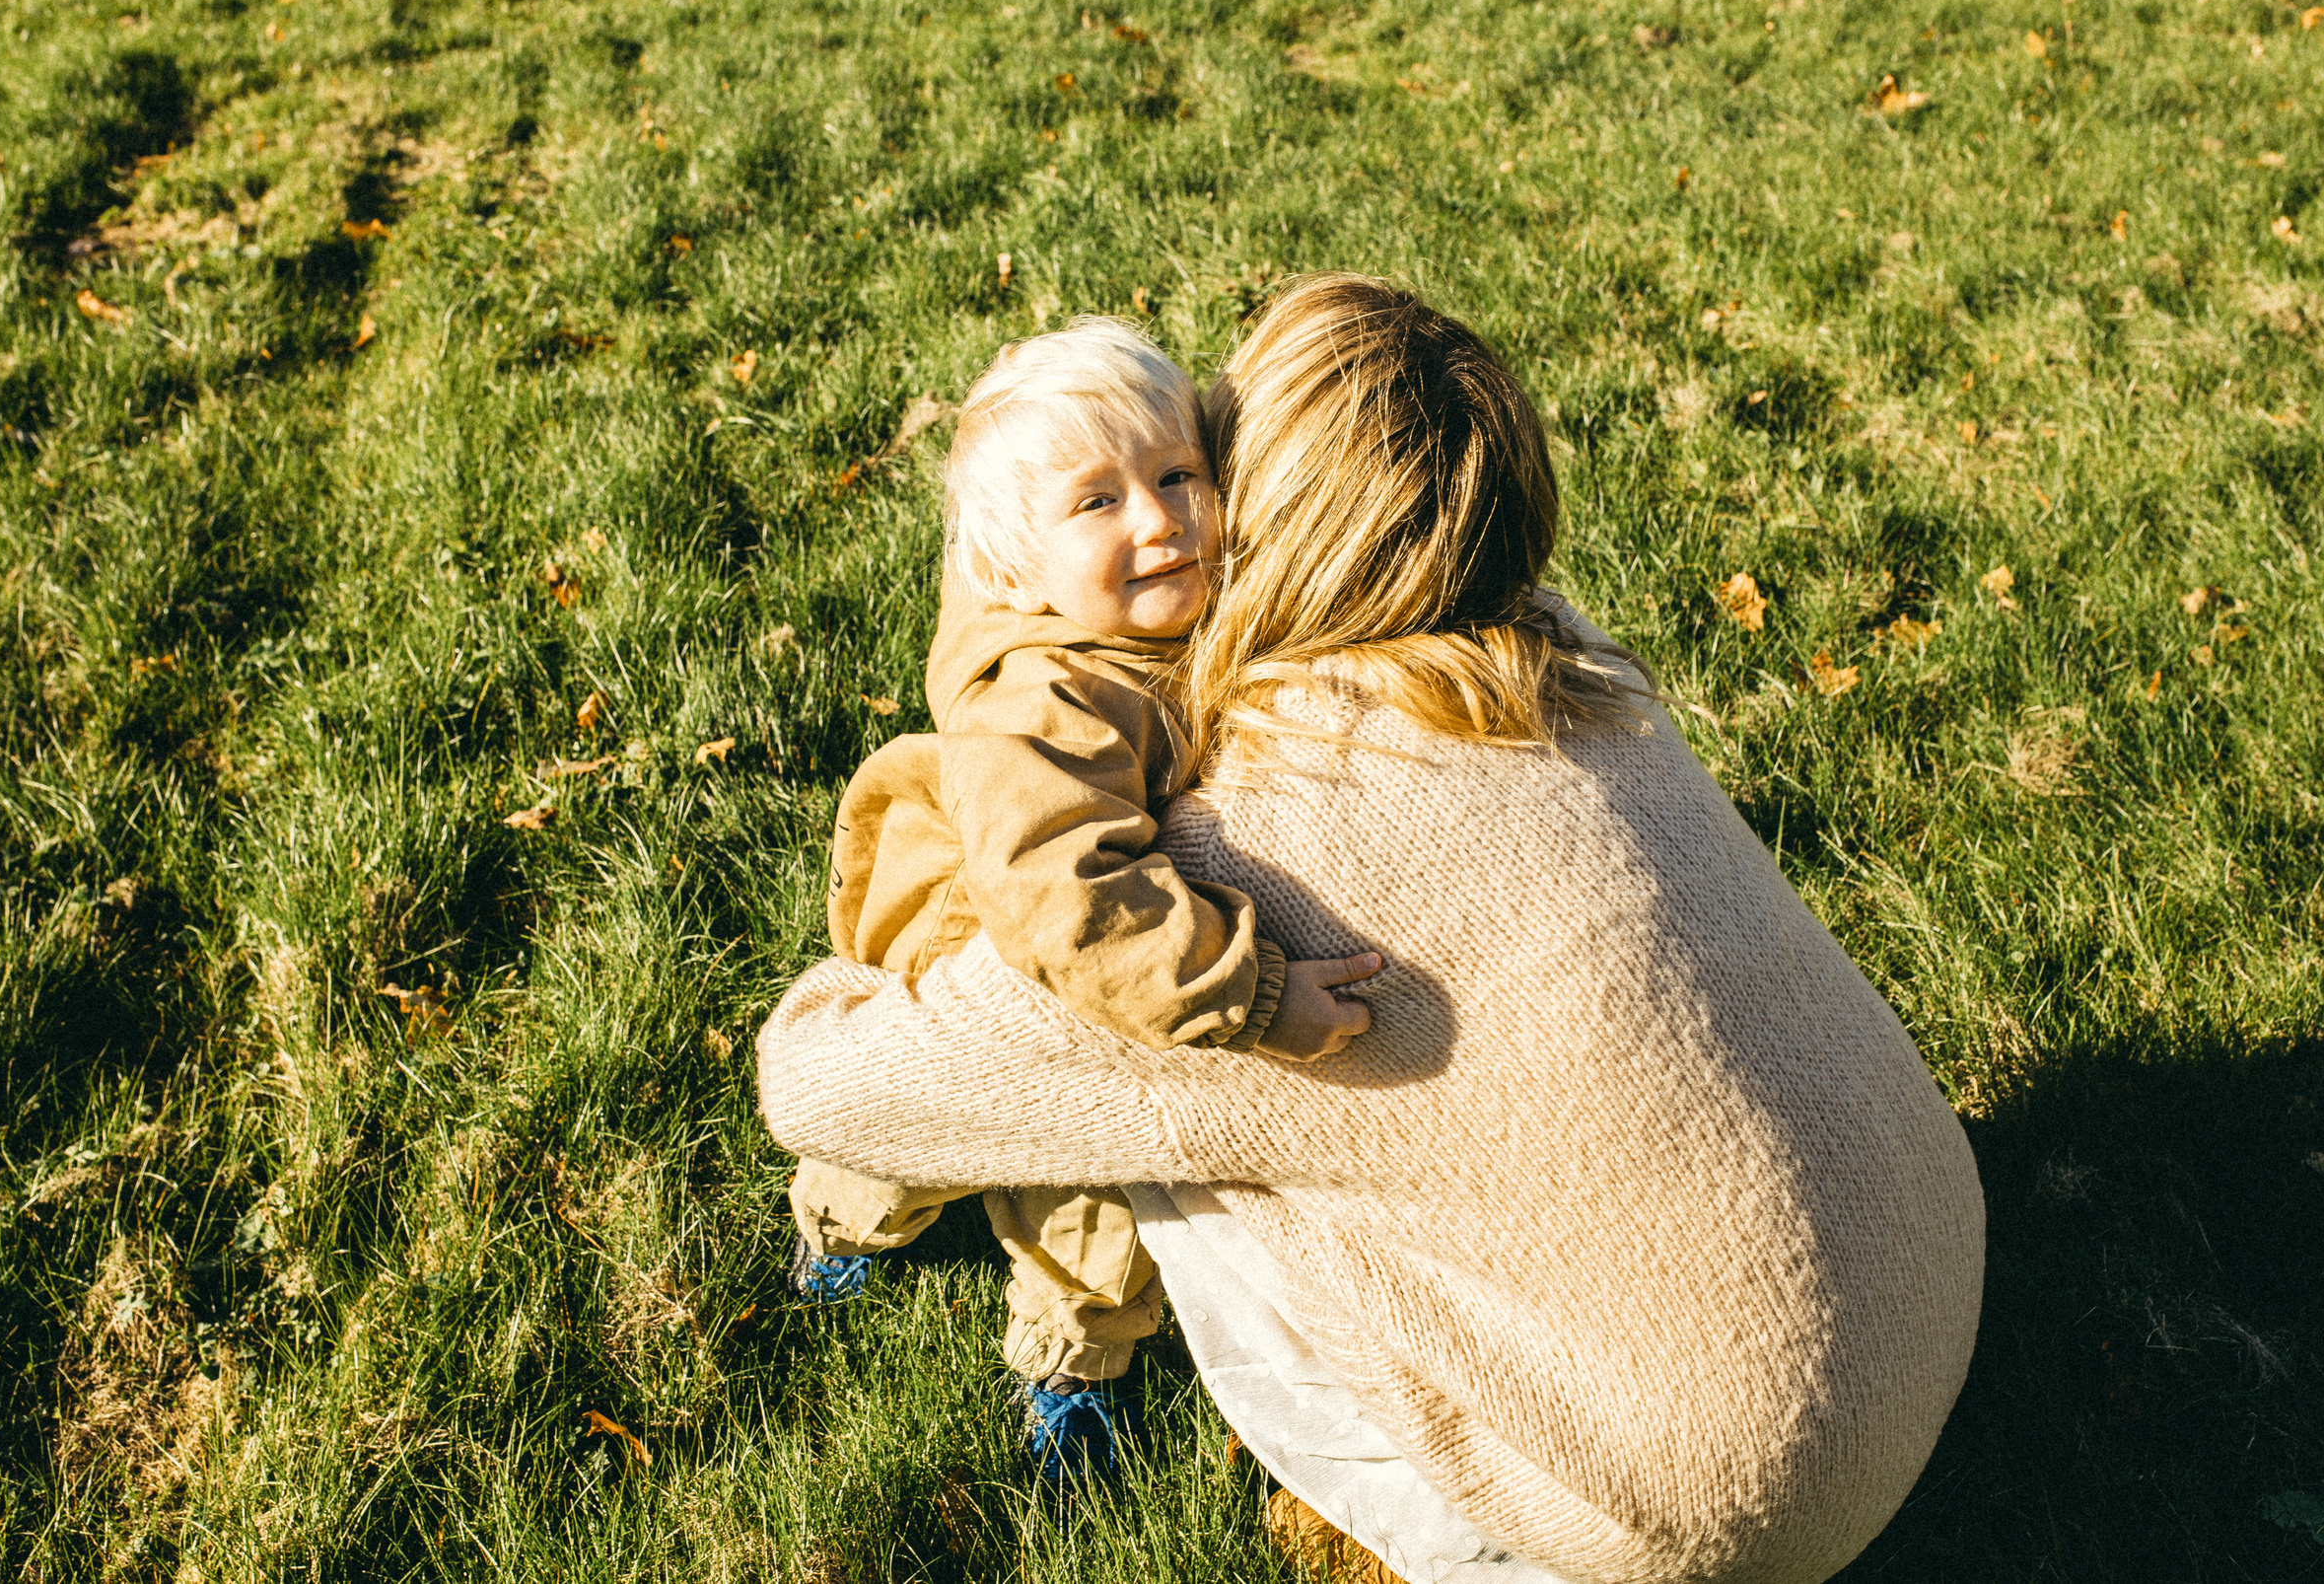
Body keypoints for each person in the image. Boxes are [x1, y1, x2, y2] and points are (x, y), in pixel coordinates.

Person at [757, 273, 1986, 1581]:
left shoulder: (1248, 869)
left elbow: (815, 1084)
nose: (1176, 517)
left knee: (1180, 1091)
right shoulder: (1575, 657)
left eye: (1200, 466)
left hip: (1721, 1514)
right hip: (1928, 1284)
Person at [782, 316, 1380, 1485]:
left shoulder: (1141, 617)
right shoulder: (1043, 699)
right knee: (1074, 1155)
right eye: (1096, 503)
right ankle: (1021, 1328)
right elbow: (1067, 898)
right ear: (1014, 573)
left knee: (1061, 1136)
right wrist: (1250, 999)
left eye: (1175, 476)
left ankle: (974, 1271)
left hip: (1090, 912)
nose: (1157, 520)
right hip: (996, 944)